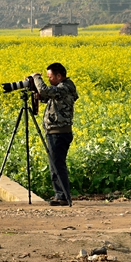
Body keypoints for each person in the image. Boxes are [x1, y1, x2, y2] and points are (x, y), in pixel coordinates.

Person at [31, 62, 79, 206]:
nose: (49, 80)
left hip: (59, 133)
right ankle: (60, 195)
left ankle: (63, 196)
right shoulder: (62, 88)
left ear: (59, 76)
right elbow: (50, 97)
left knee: (58, 165)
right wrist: (39, 97)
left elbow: (46, 91)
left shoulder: (66, 86)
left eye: (50, 77)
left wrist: (36, 78)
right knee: (55, 165)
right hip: (56, 132)